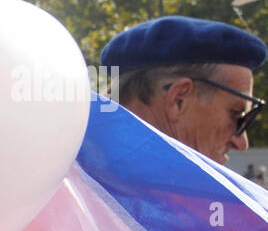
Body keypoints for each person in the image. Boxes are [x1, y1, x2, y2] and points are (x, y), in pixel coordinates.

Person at [102, 16, 267, 164]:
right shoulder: (86, 190)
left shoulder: (87, 174)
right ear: (179, 99)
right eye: (236, 115)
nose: (241, 143)